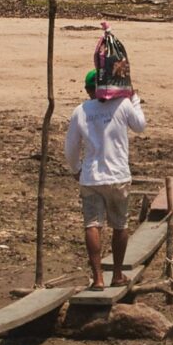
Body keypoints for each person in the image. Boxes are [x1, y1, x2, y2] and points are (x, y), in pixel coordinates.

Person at [64, 68, 148, 289]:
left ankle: (98, 278)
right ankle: (118, 274)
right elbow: (140, 126)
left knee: (92, 225)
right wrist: (134, 98)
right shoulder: (122, 104)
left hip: (91, 177)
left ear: (89, 90)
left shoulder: (81, 111)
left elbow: (71, 147)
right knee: (120, 225)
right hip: (118, 176)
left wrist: (76, 169)